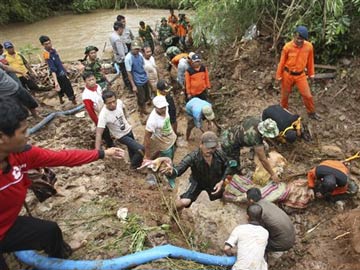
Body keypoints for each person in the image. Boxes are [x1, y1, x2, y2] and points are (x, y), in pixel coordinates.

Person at [0, 97, 124, 269]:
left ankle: (61, 257)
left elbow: (63, 157)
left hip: (7, 224)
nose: (28, 136)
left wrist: (102, 153)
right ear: (2, 137)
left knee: (50, 231)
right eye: (23, 132)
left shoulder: (22, 155)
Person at [167, 131, 231, 211]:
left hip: (214, 182)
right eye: (207, 147)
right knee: (184, 202)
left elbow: (227, 166)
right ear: (201, 144)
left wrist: (221, 181)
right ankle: (172, 212)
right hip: (197, 181)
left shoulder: (219, 154)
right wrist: (170, 171)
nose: (210, 150)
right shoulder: (192, 157)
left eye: (213, 148)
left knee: (221, 197)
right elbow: (178, 170)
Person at [276, 26, 321, 121]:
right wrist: (278, 76)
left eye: (302, 39)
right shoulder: (287, 47)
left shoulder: (309, 47)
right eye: (298, 38)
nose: (299, 41)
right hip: (287, 74)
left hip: (300, 75)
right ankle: (284, 112)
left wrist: (311, 74)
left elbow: (310, 61)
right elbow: (282, 62)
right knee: (285, 95)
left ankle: (311, 112)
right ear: (294, 36)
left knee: (307, 95)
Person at [220, 117, 281, 181]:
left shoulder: (256, 120)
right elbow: (263, 160)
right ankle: (234, 174)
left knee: (264, 146)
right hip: (228, 144)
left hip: (229, 132)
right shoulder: (255, 139)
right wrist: (272, 174)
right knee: (234, 162)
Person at [96, 90, 144, 169]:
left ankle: (133, 162)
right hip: (121, 136)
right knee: (140, 149)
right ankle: (133, 166)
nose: (113, 104)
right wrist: (97, 152)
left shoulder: (119, 102)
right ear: (105, 103)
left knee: (132, 149)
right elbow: (99, 133)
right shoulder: (103, 115)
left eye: (114, 101)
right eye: (109, 103)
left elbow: (123, 109)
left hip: (128, 129)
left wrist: (127, 119)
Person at [247, 188, 295, 252]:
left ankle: (263, 255)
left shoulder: (260, 212)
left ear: (251, 200)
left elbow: (258, 231)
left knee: (254, 241)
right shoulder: (268, 203)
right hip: (291, 237)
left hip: (283, 244)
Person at [224, 204, 268, 270]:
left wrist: (232, 257)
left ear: (247, 216)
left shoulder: (240, 229)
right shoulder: (265, 232)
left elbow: (226, 248)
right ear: (261, 217)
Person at [39, 35, 76, 105]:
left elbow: (59, 62)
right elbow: (52, 69)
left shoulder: (53, 50)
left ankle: (61, 100)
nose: (49, 45)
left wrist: (65, 70)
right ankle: (74, 102)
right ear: (42, 45)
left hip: (61, 71)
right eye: (46, 44)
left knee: (60, 88)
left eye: (49, 43)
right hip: (58, 75)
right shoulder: (46, 55)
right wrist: (56, 82)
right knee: (68, 88)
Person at [81, 72, 114, 148]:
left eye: (93, 79)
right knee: (105, 130)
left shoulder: (98, 86)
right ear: (85, 82)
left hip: (105, 109)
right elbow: (91, 112)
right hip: (98, 114)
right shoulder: (86, 96)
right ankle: (109, 144)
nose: (92, 81)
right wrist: (97, 121)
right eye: (89, 80)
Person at [125, 40, 150, 121]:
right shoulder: (128, 58)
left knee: (146, 96)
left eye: (138, 49)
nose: (137, 50)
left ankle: (144, 109)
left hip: (144, 77)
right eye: (135, 49)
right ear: (131, 49)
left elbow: (143, 66)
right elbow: (129, 73)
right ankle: (141, 114)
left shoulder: (140, 55)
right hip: (137, 80)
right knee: (140, 98)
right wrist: (133, 85)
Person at [110, 21, 132, 93]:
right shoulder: (117, 39)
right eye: (122, 29)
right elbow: (121, 53)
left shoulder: (112, 35)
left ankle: (127, 85)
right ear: (119, 28)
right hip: (122, 59)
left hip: (117, 58)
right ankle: (129, 87)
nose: (123, 31)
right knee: (126, 73)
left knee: (123, 72)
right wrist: (126, 60)